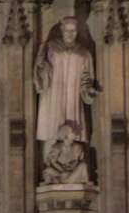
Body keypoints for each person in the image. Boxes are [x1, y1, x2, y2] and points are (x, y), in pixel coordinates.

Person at [33, 16, 98, 181]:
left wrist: (88, 89)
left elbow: (86, 76)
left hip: (73, 96)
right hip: (53, 94)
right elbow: (42, 72)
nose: (70, 34)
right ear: (61, 30)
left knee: (73, 129)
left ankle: (74, 167)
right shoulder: (50, 47)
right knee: (52, 128)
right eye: (67, 30)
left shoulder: (83, 52)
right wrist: (42, 68)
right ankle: (51, 165)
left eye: (73, 31)